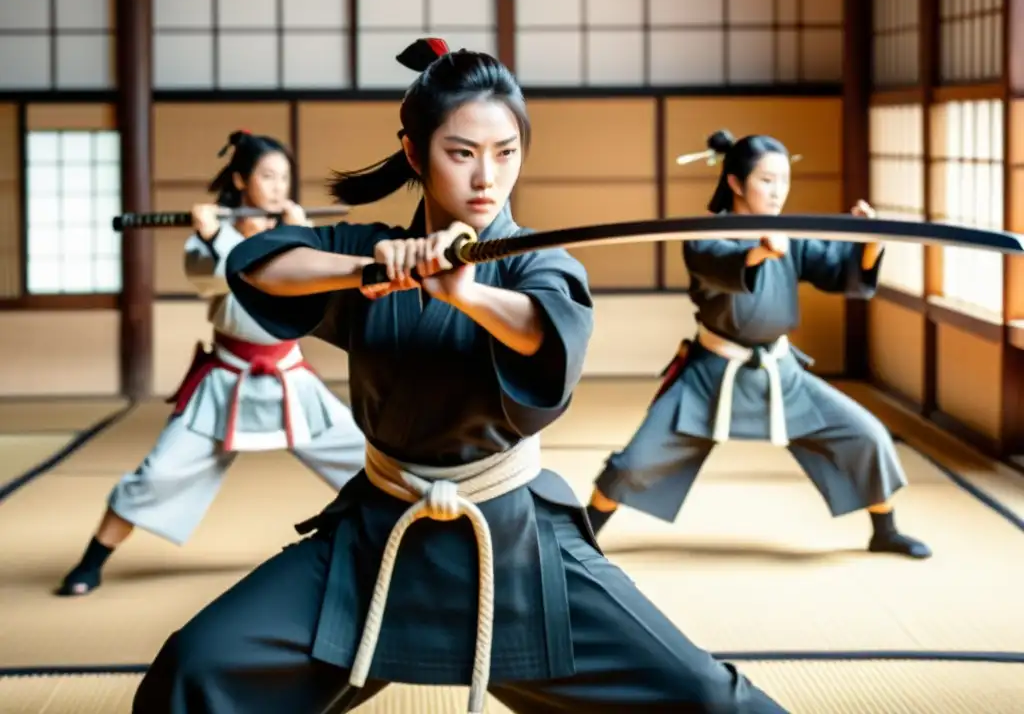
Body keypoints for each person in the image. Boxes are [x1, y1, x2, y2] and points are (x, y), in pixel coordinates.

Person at [131, 39, 788, 714]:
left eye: (506, 153)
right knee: (194, 668)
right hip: (375, 539)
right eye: (462, 152)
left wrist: (465, 294)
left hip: (513, 547)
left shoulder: (539, 263)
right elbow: (258, 264)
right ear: (415, 154)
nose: (488, 178)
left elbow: (546, 331)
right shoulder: (373, 250)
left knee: (708, 698)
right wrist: (367, 271)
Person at [586, 129, 931, 561]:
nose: (778, 191)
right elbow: (715, 265)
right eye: (767, 180)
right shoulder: (703, 234)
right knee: (638, 459)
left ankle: (885, 530)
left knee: (866, 436)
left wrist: (869, 242)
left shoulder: (792, 235)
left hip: (779, 373)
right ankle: (585, 533)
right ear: (735, 182)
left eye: (784, 180)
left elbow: (841, 274)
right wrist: (757, 254)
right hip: (710, 374)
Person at [56, 131, 367, 597]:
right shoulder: (207, 242)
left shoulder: (295, 236)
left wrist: (303, 234)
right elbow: (220, 284)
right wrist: (214, 235)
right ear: (241, 180)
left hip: (289, 380)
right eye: (267, 175)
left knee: (370, 461)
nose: (279, 186)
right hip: (226, 381)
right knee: (160, 473)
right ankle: (92, 560)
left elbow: (315, 289)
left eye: (284, 177)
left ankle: (408, 551)